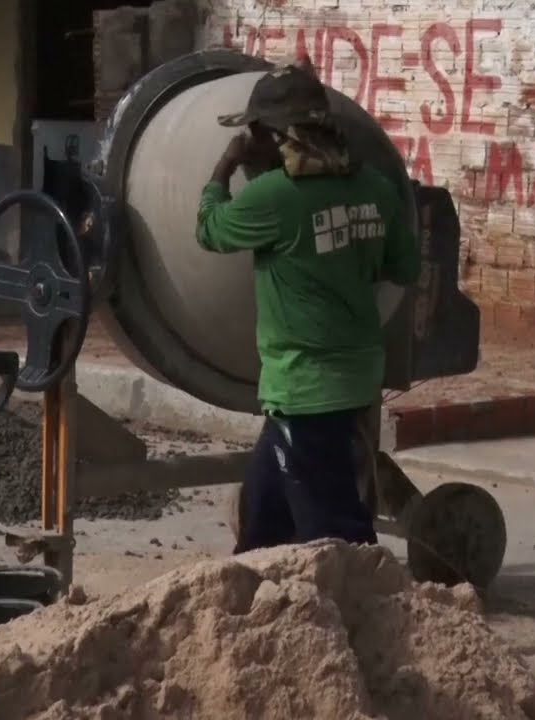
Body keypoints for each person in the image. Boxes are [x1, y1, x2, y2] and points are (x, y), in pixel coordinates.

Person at [195, 61, 420, 554]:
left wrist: (224, 167)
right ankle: (255, 585)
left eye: (254, 132)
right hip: (353, 380)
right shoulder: (374, 188)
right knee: (263, 520)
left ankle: (363, 596)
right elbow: (405, 267)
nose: (249, 141)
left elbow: (209, 229)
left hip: (306, 391)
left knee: (338, 539)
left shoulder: (274, 197)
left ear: (278, 137)